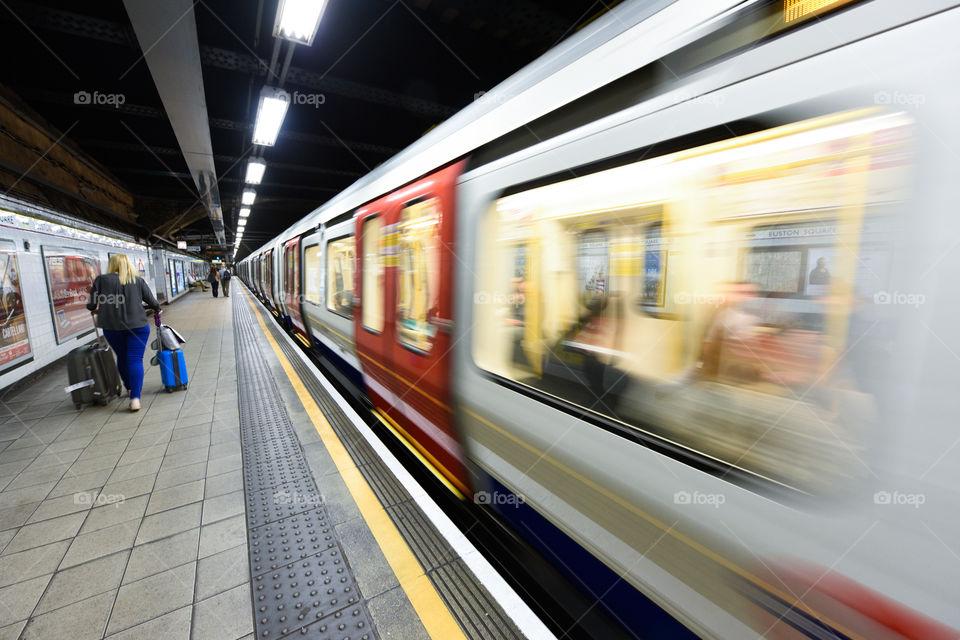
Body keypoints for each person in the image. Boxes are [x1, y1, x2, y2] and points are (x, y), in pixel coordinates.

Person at [86, 254, 161, 412]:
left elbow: (91, 305)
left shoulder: (101, 280)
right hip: (137, 327)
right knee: (135, 359)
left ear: (112, 265)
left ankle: (128, 388)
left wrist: (98, 307)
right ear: (128, 264)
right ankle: (135, 399)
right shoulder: (137, 280)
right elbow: (152, 301)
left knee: (122, 357)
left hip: (112, 327)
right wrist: (157, 309)